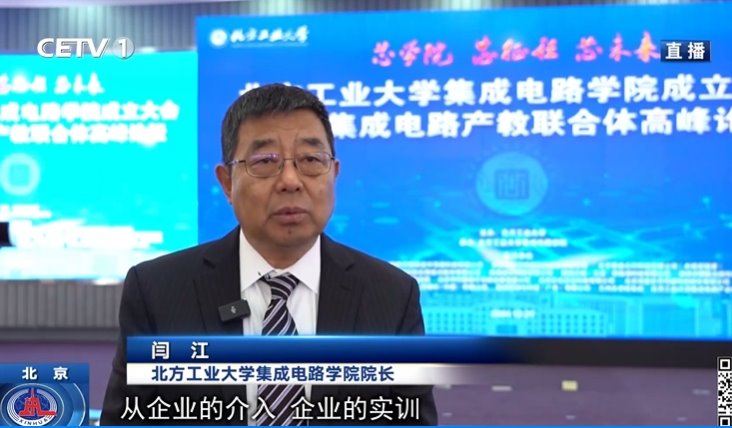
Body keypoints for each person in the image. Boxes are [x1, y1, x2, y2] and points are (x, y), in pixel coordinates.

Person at [101, 84, 437, 426]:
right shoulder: (158, 291)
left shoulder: (391, 295)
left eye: (310, 160)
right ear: (227, 182)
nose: (290, 181)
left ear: (334, 173)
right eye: (265, 161)